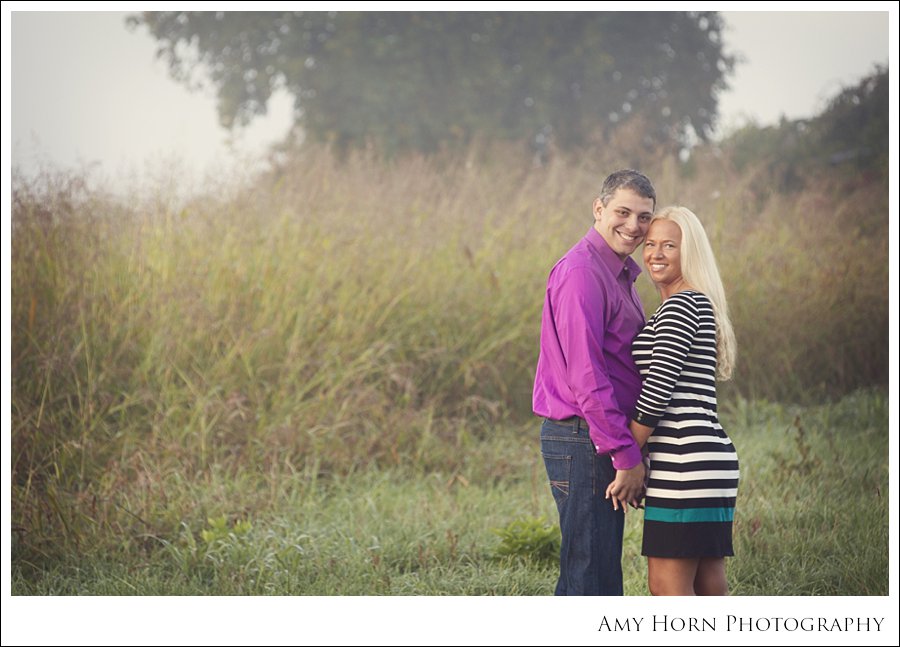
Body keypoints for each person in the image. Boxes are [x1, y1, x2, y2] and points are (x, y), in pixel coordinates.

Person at [533, 169, 655, 596]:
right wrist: (625, 455)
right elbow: (587, 376)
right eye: (622, 212)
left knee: (600, 569)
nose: (633, 226)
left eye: (644, 217)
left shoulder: (619, 272)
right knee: (588, 572)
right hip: (583, 438)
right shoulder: (583, 272)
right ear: (598, 209)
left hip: (600, 435)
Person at [612, 206, 739, 596]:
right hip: (705, 461)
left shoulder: (681, 305)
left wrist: (626, 457)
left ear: (690, 252)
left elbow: (656, 393)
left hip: (685, 466)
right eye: (650, 244)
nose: (656, 254)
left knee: (668, 591)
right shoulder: (693, 303)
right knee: (706, 586)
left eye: (670, 245)